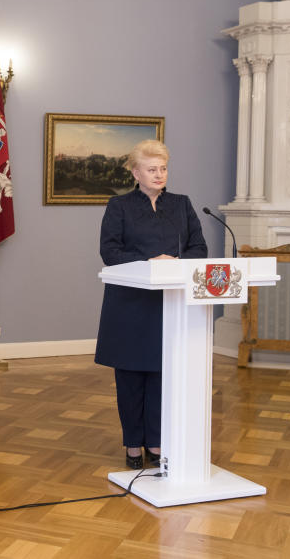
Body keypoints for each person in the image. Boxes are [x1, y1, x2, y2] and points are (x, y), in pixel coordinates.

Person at [95, 139, 207, 470]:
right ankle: (132, 444)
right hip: (130, 303)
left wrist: (175, 262)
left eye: (163, 168)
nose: (159, 175)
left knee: (162, 376)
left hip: (169, 304)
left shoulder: (182, 204)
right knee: (130, 378)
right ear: (136, 172)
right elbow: (110, 251)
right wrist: (150, 261)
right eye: (151, 169)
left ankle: (156, 442)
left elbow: (199, 247)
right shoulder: (120, 206)